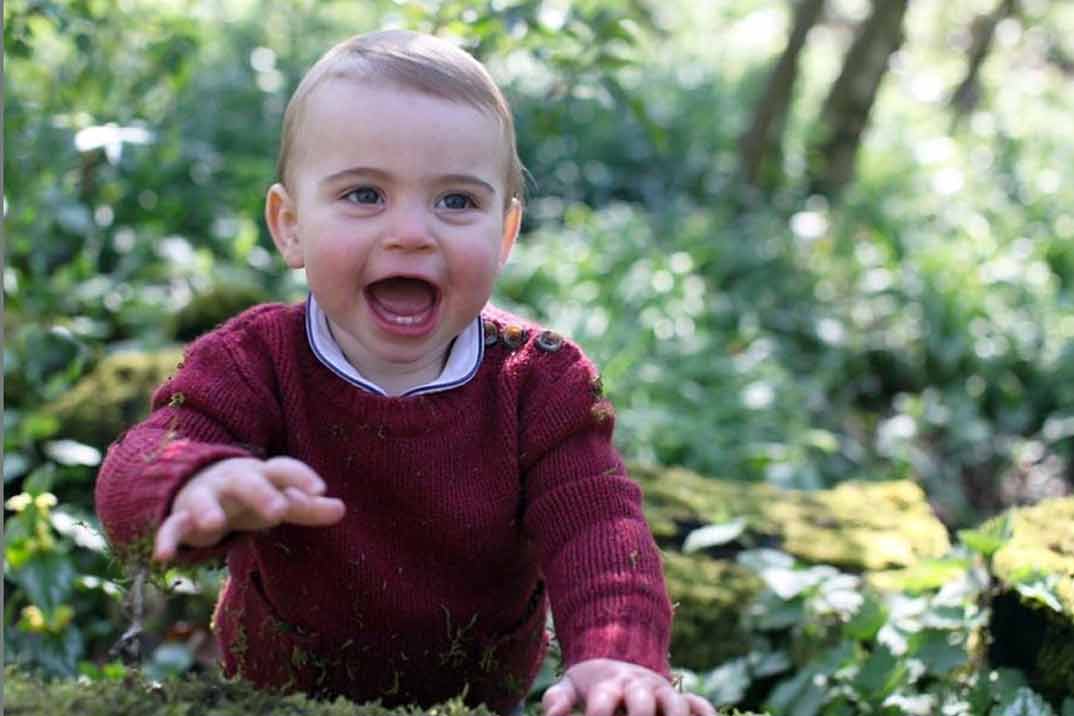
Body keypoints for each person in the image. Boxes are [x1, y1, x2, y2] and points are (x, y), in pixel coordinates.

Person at [94, 29, 715, 716]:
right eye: (364, 194)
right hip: (274, 697)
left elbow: (598, 526)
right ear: (291, 225)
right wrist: (196, 478)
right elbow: (136, 463)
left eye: (456, 201)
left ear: (504, 235)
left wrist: (616, 657)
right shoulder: (255, 360)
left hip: (474, 700)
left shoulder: (539, 383)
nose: (412, 233)